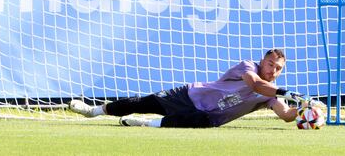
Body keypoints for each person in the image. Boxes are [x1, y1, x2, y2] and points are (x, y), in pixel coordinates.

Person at [69, 49, 305, 128]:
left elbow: (285, 115)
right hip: (190, 95)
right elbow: (256, 85)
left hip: (208, 117)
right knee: (142, 103)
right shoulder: (248, 67)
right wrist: (285, 92)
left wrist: (305, 111)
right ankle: (93, 111)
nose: (273, 70)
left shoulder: (272, 93)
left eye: (278, 68)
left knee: (199, 122)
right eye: (270, 64)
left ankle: (142, 123)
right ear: (263, 61)